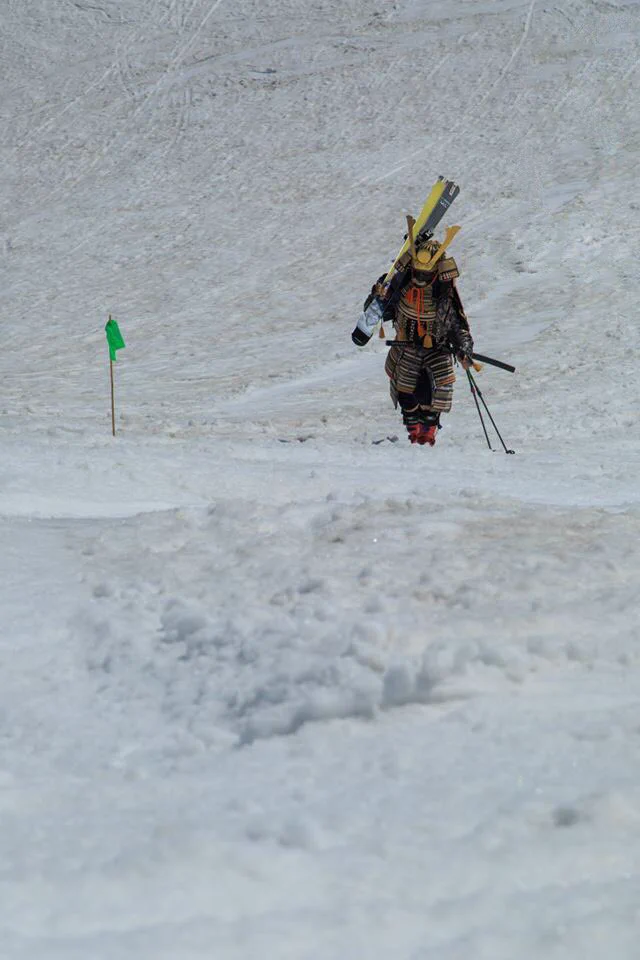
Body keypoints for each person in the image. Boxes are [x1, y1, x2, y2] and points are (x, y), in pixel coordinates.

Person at [352, 231, 474, 446]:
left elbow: (457, 324)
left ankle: (428, 432)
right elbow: (377, 310)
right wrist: (376, 296)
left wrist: (464, 347)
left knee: (433, 394)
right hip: (405, 346)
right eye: (418, 272)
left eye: (427, 274)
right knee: (405, 391)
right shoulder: (398, 285)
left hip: (437, 349)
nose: (421, 278)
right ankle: (412, 431)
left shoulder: (444, 293)